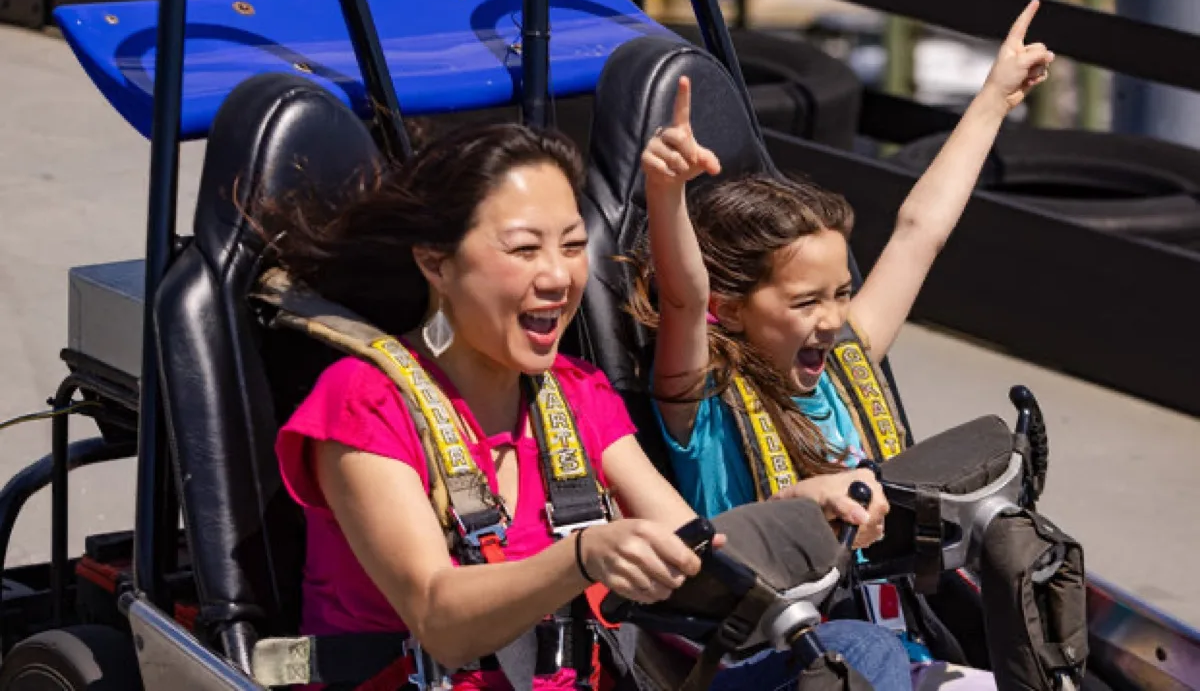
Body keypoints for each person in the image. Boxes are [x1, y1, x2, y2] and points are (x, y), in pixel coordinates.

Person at [261, 123, 912, 690]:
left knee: (861, 649)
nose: (558, 275)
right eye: (525, 249)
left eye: (572, 246)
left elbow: (700, 554)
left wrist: (803, 510)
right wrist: (582, 556)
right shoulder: (363, 402)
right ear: (437, 263)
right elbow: (439, 620)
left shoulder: (575, 394)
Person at [629, 0, 1054, 689]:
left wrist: (995, 98)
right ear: (731, 310)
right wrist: (665, 191)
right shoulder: (700, 398)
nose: (832, 318)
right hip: (767, 662)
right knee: (858, 648)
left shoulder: (843, 364)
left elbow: (921, 230)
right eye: (805, 302)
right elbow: (683, 296)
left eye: (841, 292)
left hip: (886, 655)